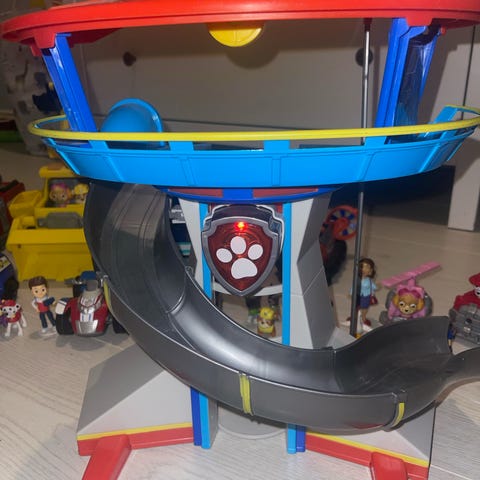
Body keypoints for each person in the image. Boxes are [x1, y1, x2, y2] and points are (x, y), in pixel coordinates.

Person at [356, 257, 378, 326]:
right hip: (358, 296)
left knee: (365, 308)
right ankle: (355, 318)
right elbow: (354, 287)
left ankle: (363, 318)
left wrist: (377, 287)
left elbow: (373, 287)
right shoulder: (357, 279)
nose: (364, 269)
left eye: (367, 267)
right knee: (356, 308)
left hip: (366, 297)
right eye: (363, 267)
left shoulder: (369, 280)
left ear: (370, 270)